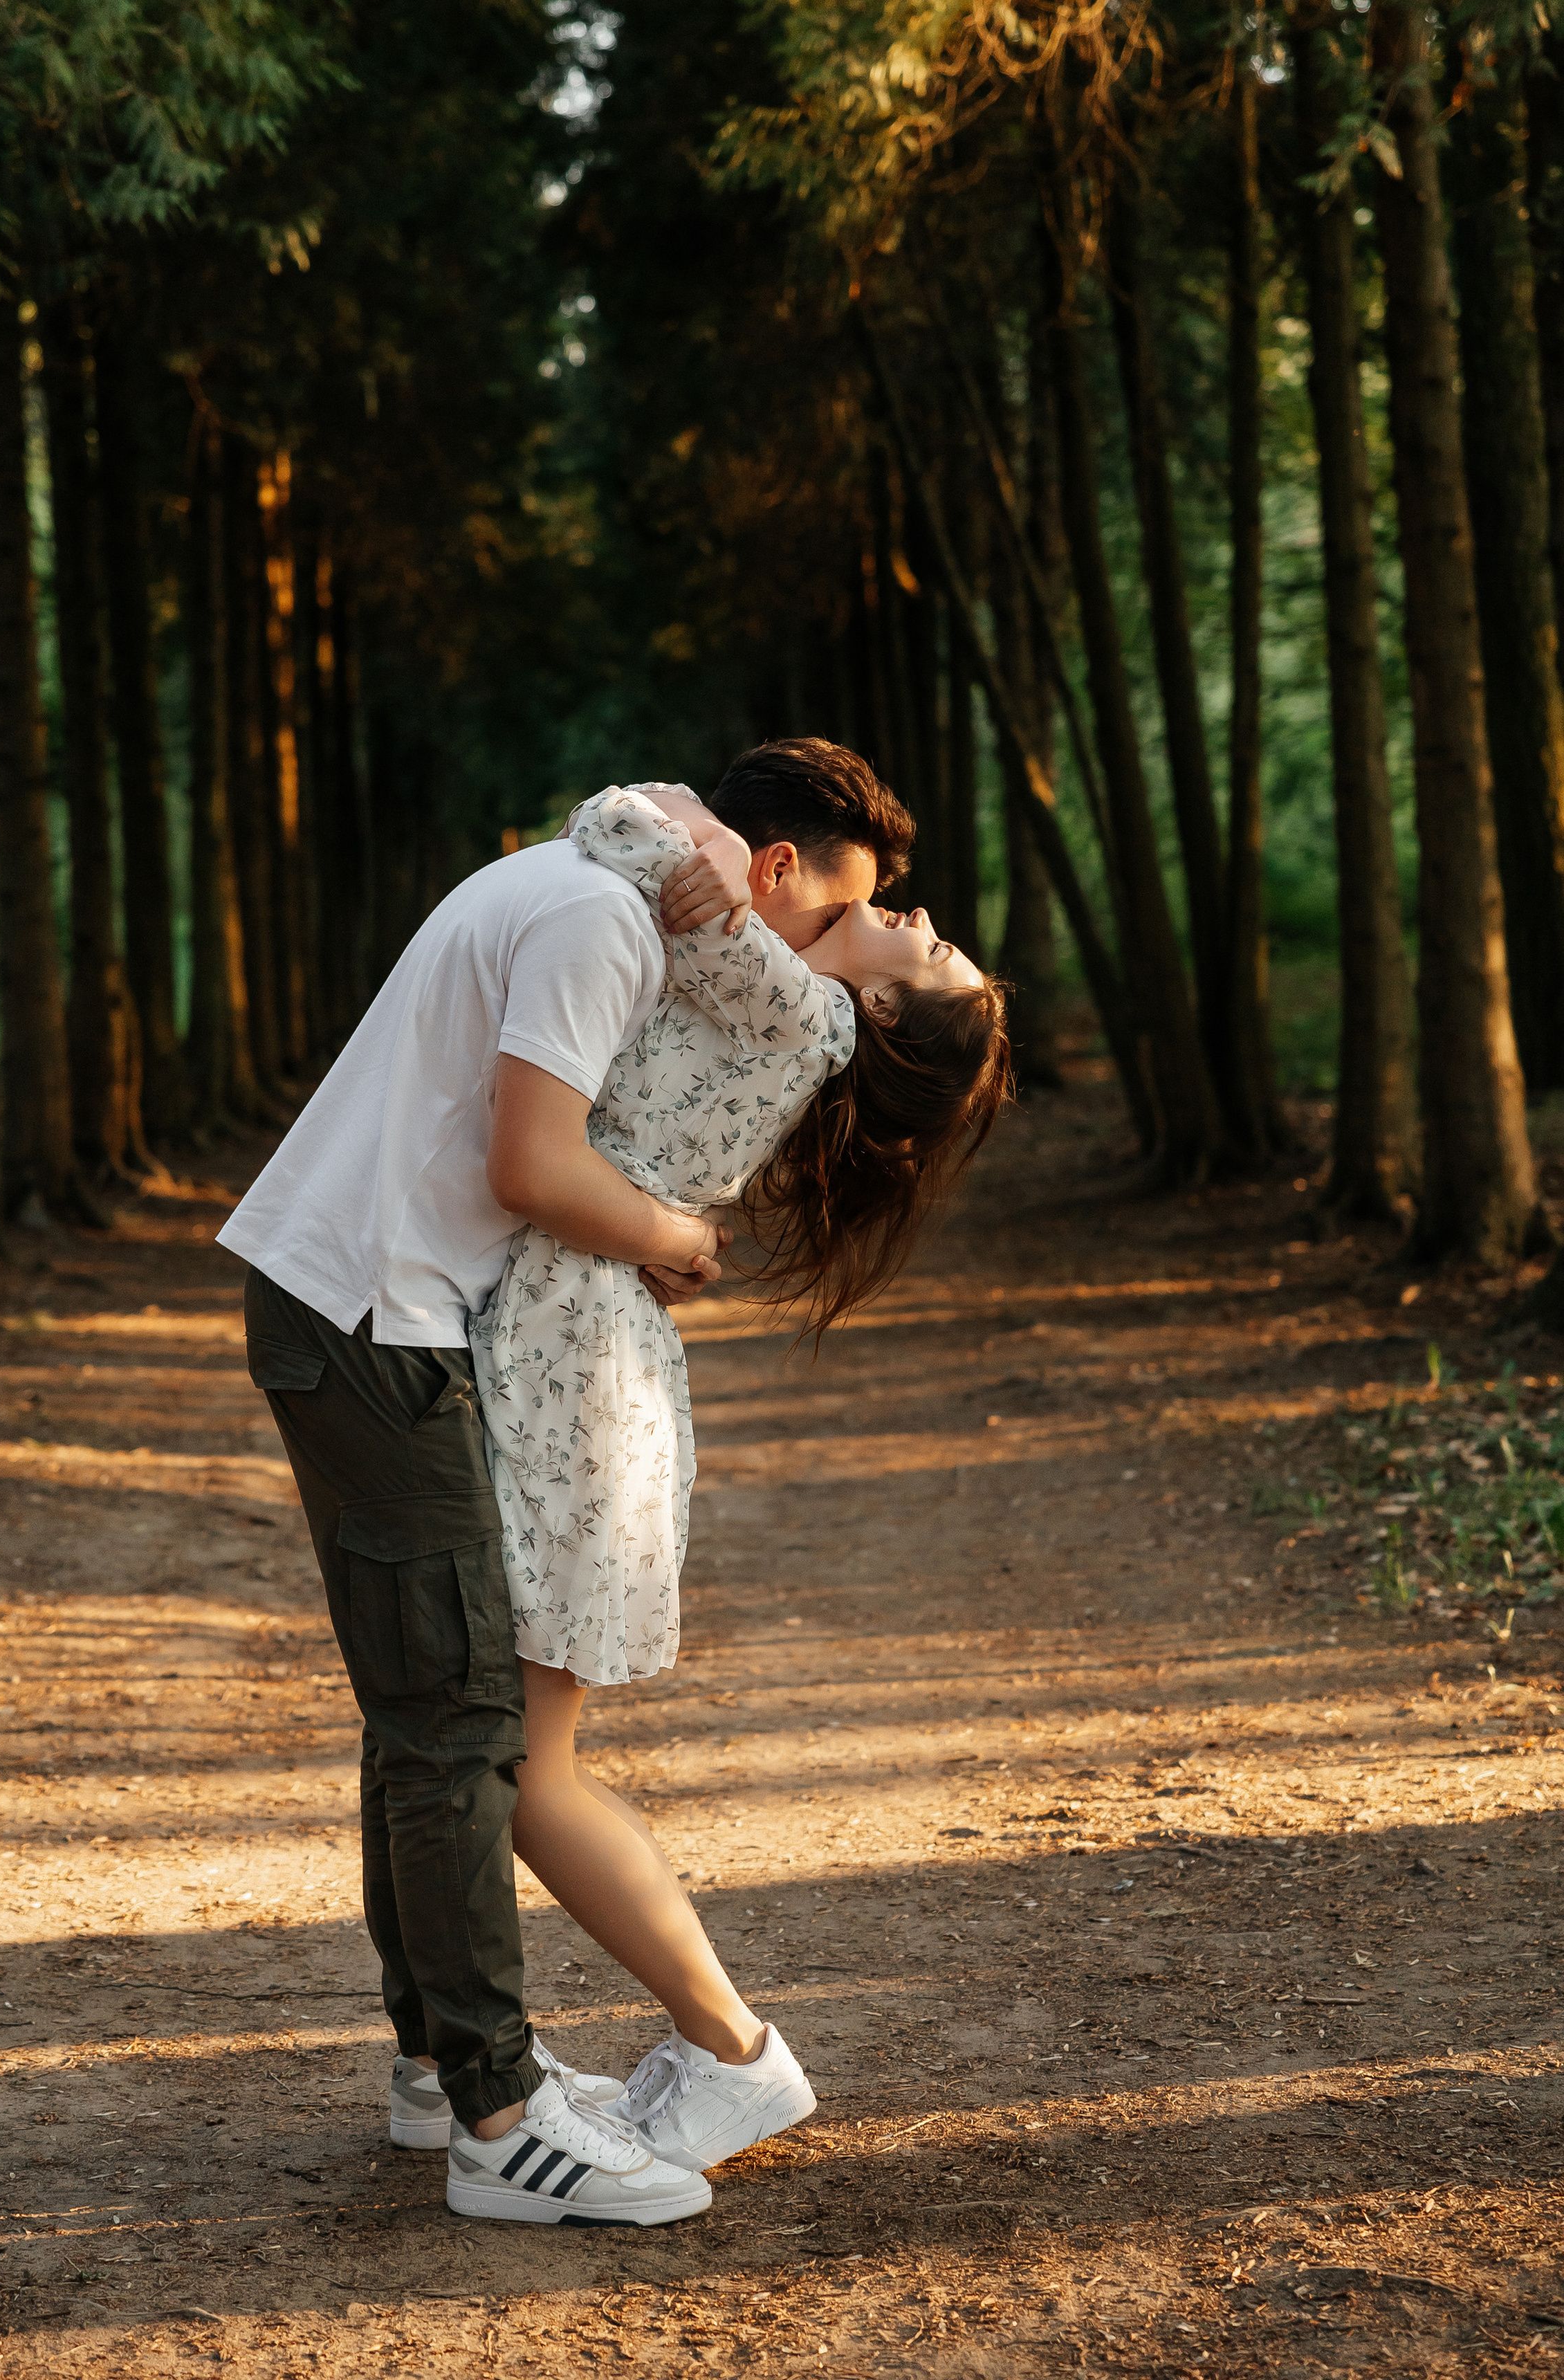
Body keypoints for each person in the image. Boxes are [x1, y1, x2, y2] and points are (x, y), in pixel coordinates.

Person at [218, 740, 911, 2228]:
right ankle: (498, 2120)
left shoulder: (582, 882)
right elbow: (537, 1165)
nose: (782, 960)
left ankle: (433, 2070)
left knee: (426, 1709)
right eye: (813, 920)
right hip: (371, 1311)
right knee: (463, 1720)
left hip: (366, 1298)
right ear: (774, 868)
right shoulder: (600, 920)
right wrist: (675, 1236)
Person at [466, 782, 1009, 2191]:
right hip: (579, 1344)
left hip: (573, 1359)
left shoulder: (805, 1011)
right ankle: (464, 2055)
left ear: (887, 1018)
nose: (920, 918)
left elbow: (616, 822)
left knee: (521, 1767)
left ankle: (729, 2049)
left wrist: (697, 852)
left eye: (930, 952)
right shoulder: (786, 1008)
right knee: (499, 1747)